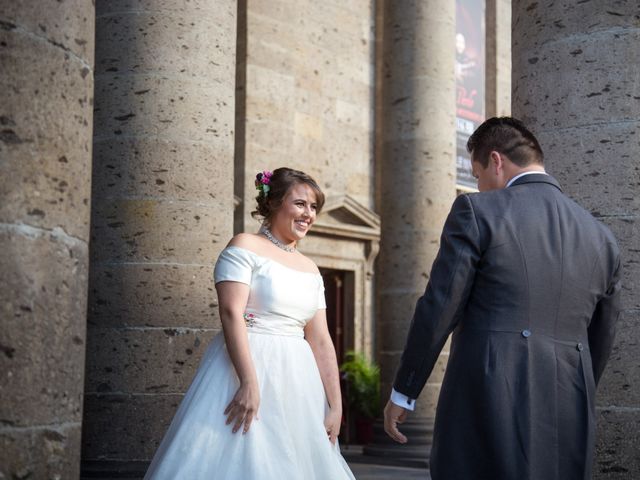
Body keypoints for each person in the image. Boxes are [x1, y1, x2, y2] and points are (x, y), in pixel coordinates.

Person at [383, 117, 622, 480]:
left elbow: (439, 307)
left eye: (477, 176)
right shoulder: (602, 237)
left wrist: (405, 390)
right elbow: (603, 334)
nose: (479, 188)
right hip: (570, 403)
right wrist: (579, 385)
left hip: (489, 396)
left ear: (496, 161)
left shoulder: (476, 212)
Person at [145, 167, 355, 479]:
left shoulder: (310, 268)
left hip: (300, 381)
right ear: (273, 203)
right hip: (247, 366)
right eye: (300, 204)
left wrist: (335, 407)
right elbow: (231, 312)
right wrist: (248, 382)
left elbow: (321, 339)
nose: (308, 214)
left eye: (313, 207)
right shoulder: (244, 245)